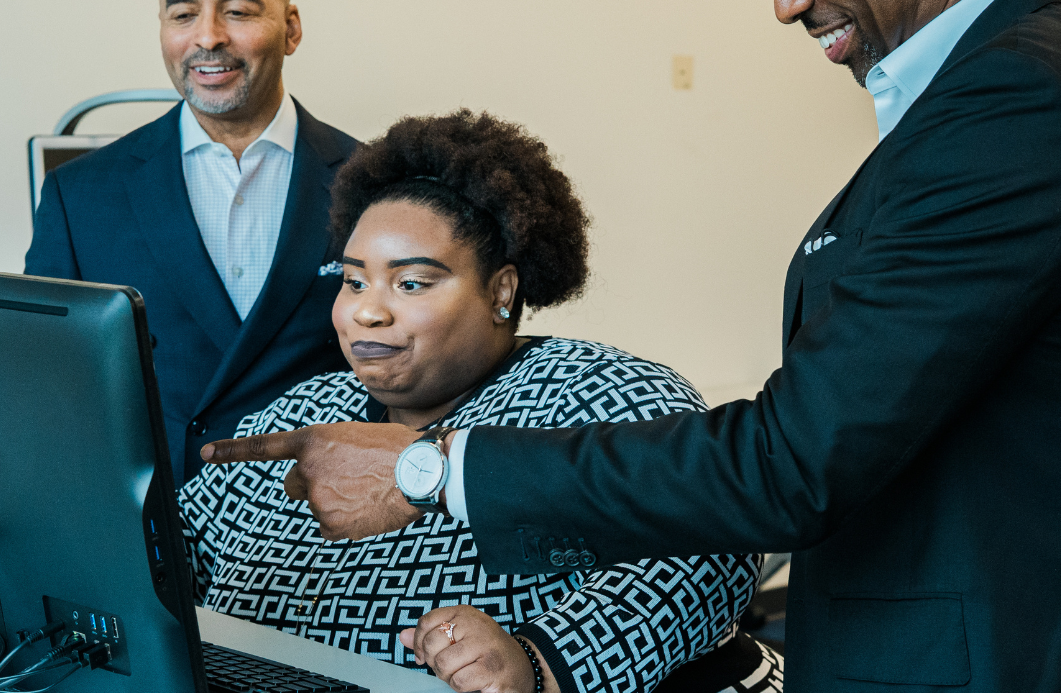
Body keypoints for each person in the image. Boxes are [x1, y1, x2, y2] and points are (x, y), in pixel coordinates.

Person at [207, 0, 1061, 693]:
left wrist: (430, 470)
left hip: (1012, 657)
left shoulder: (1011, 108)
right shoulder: (994, 95)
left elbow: (793, 462)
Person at [180, 110, 776, 693]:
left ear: (502, 291)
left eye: (411, 283)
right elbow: (172, 546)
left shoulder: (603, 392)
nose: (367, 310)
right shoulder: (300, 413)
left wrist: (541, 662)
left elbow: (709, 547)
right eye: (353, 280)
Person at [25, 0, 358, 483]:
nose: (208, 38)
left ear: (291, 28)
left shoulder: (375, 183)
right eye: (183, 15)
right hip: (157, 526)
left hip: (327, 521)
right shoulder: (79, 196)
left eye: (239, 12)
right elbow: (46, 380)